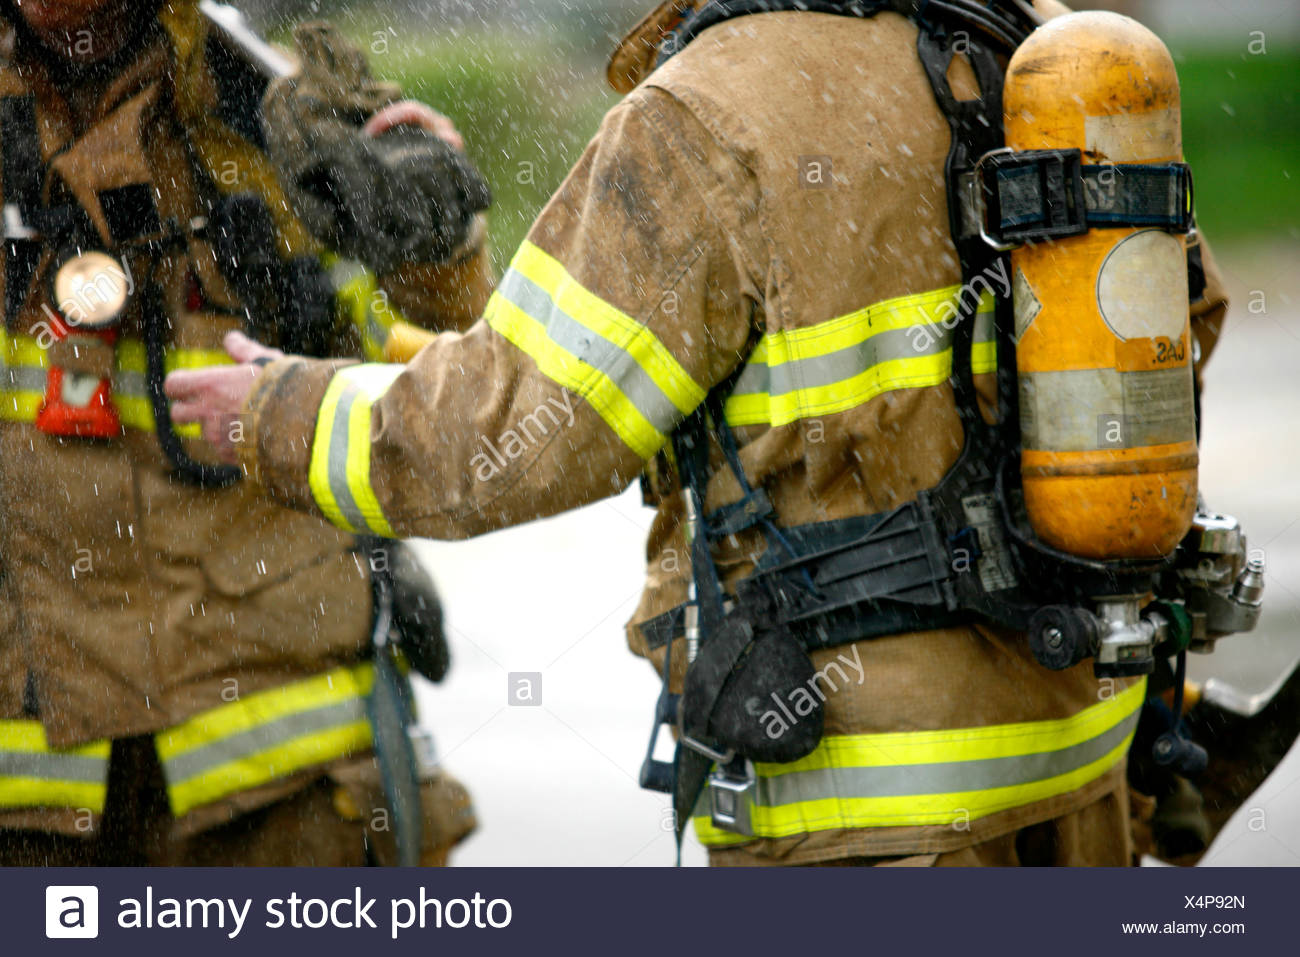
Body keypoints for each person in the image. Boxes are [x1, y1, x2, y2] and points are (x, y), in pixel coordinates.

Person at [168, 0, 1235, 866]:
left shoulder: (707, 115)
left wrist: (275, 412)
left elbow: (501, 437)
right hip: (1082, 774)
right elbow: (1186, 317)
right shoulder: (1029, 45)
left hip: (867, 816)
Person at [0, 0, 487, 865]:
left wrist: (437, 226)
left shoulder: (276, 114)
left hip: (280, 791)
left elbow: (461, 374)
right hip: (31, 792)